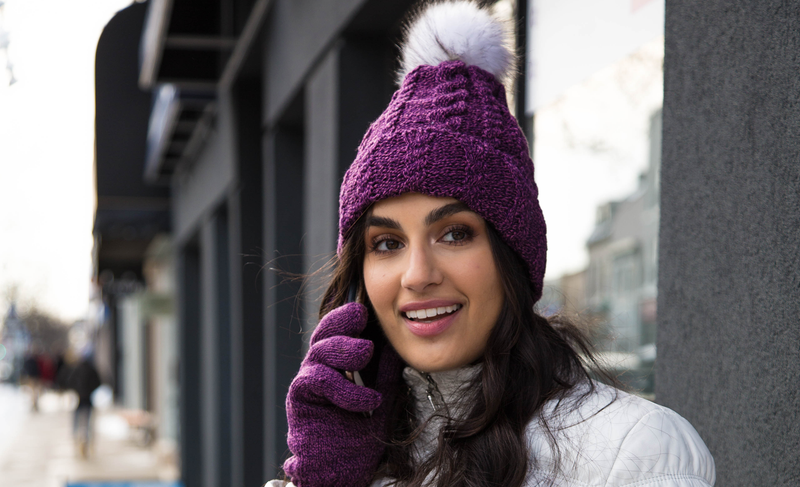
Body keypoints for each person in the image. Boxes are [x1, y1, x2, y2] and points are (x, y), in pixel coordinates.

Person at [267, 2, 715, 486]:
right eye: (387, 243)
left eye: (455, 234)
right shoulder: (353, 446)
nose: (417, 275)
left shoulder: (636, 451)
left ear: (513, 255)